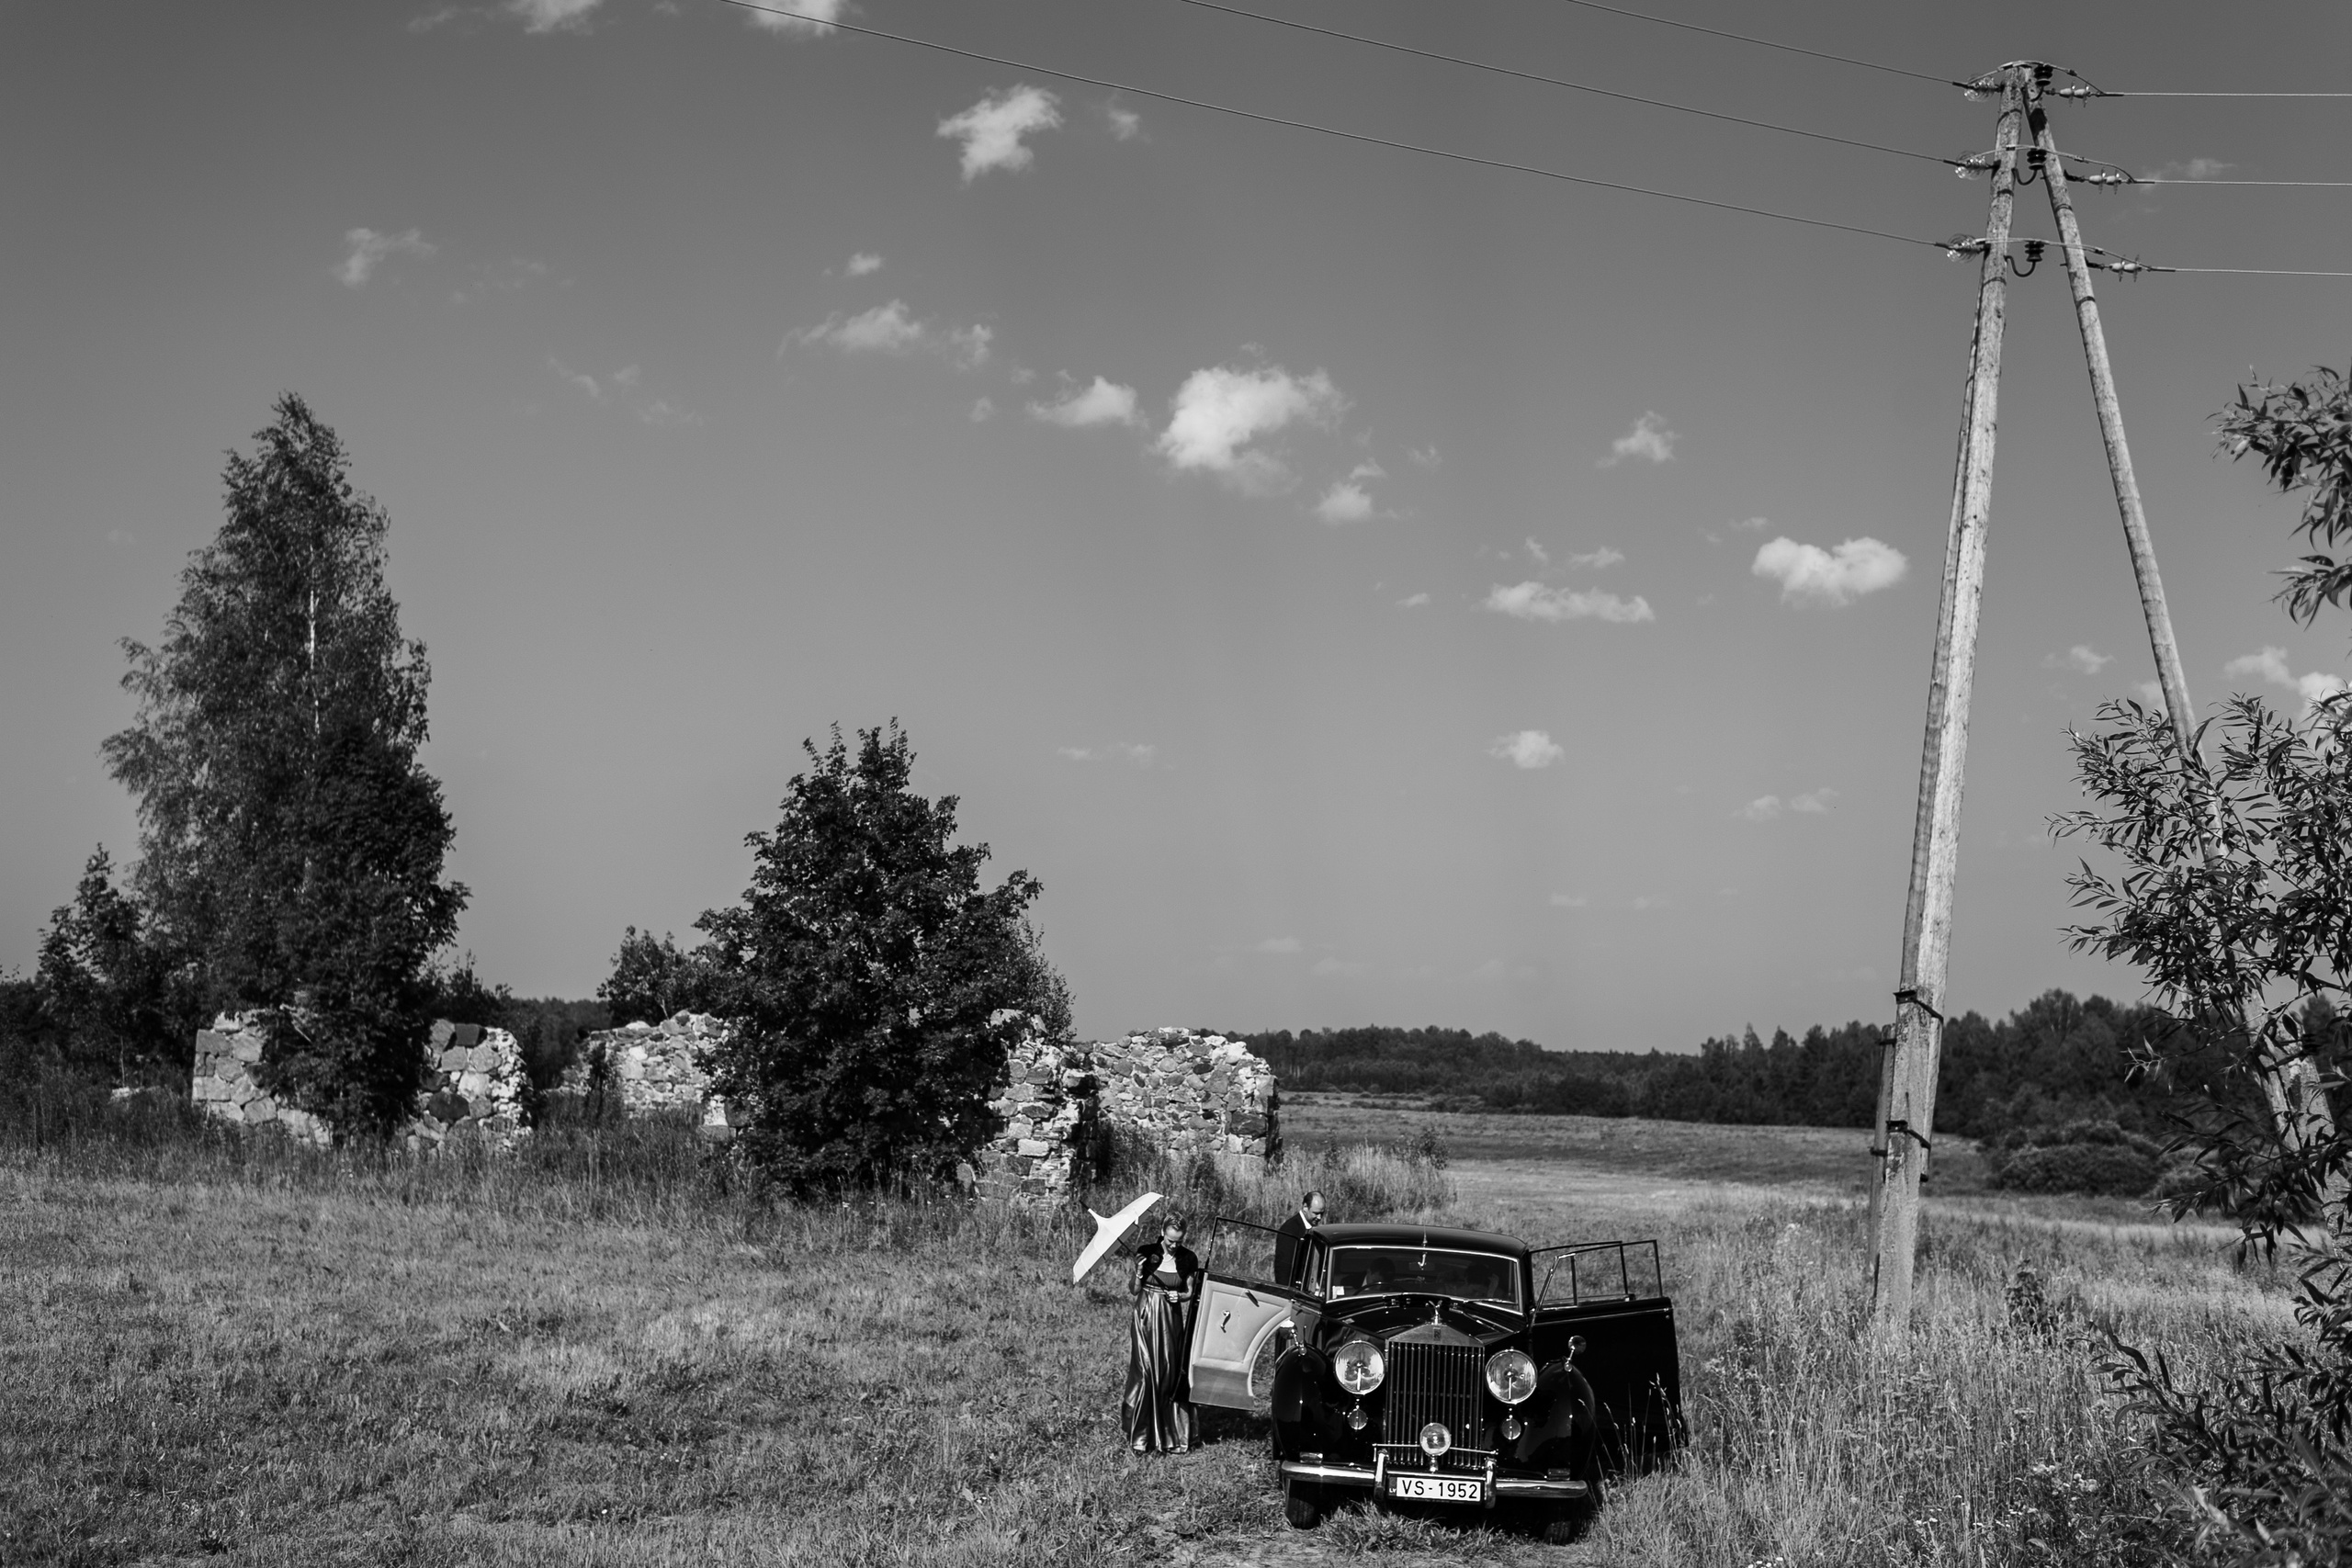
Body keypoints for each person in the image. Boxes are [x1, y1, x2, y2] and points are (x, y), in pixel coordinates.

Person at [1124, 1209, 1201, 1454]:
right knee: (1145, 1373)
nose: (1173, 1246)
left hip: (1170, 1318)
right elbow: (1134, 1290)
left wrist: (1180, 1295)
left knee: (1167, 1375)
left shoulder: (1188, 1258)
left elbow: (1190, 1293)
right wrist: (1138, 1273)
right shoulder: (1146, 1253)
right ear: (1161, 1233)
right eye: (1169, 1241)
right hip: (1145, 1316)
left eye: (1178, 1241)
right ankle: (1141, 1436)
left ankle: (1170, 1434)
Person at [1273, 1190, 1326, 1291]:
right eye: (1316, 1213)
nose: (1319, 1217)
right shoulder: (1290, 1229)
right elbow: (1283, 1267)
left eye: (1322, 1213)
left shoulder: (1315, 1230)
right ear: (1305, 1207)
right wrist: (1286, 1292)